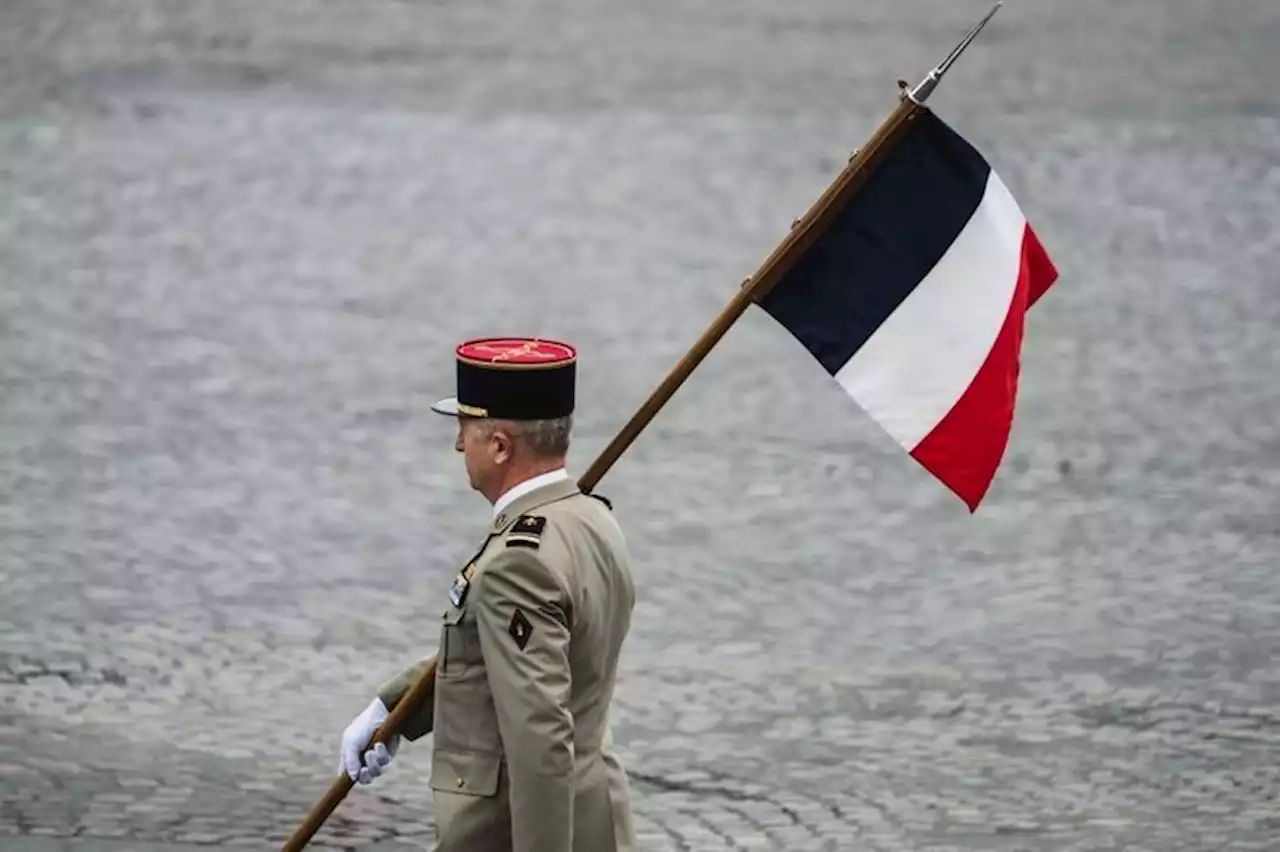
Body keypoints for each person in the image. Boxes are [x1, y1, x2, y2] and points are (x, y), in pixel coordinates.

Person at [337, 336, 638, 852]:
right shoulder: (591, 520)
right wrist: (393, 710)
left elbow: (540, 738)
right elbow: (488, 653)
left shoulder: (517, 561)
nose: (458, 445)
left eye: (464, 429)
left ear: (500, 446)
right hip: (594, 815)